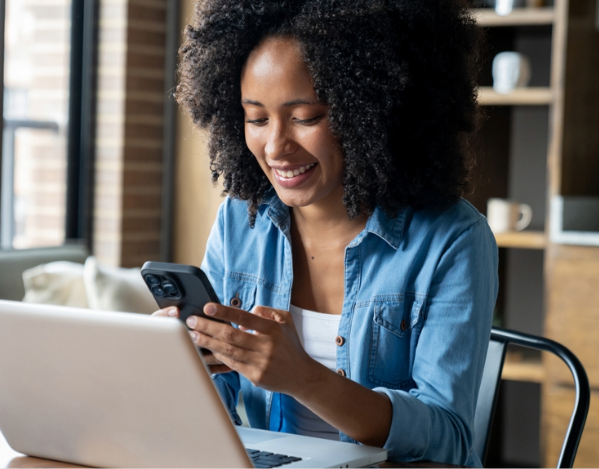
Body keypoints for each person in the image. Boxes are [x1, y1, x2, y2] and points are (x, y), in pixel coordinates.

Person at [153, 0, 496, 466]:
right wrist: (178, 367)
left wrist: (303, 377)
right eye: (256, 118)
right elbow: (219, 392)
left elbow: (449, 438)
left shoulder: (452, 239)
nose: (275, 146)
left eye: (305, 117)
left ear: (372, 110)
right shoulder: (242, 221)